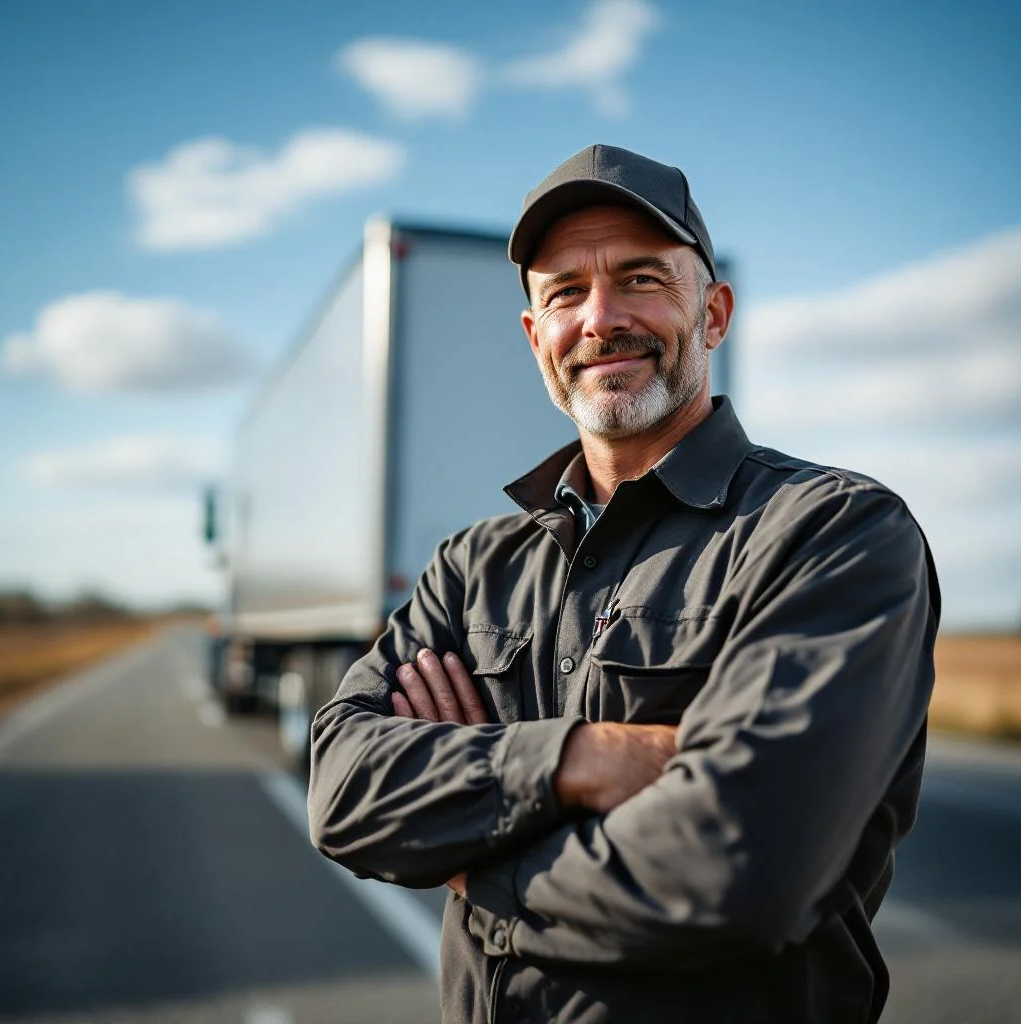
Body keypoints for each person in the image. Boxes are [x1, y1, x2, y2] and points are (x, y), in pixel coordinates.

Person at [307, 144, 939, 1023]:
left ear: (713, 314)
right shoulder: (469, 569)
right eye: (565, 291)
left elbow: (737, 870)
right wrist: (581, 758)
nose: (601, 318)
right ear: (537, 339)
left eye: (641, 278)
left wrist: (470, 860)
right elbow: (342, 790)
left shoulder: (830, 531)